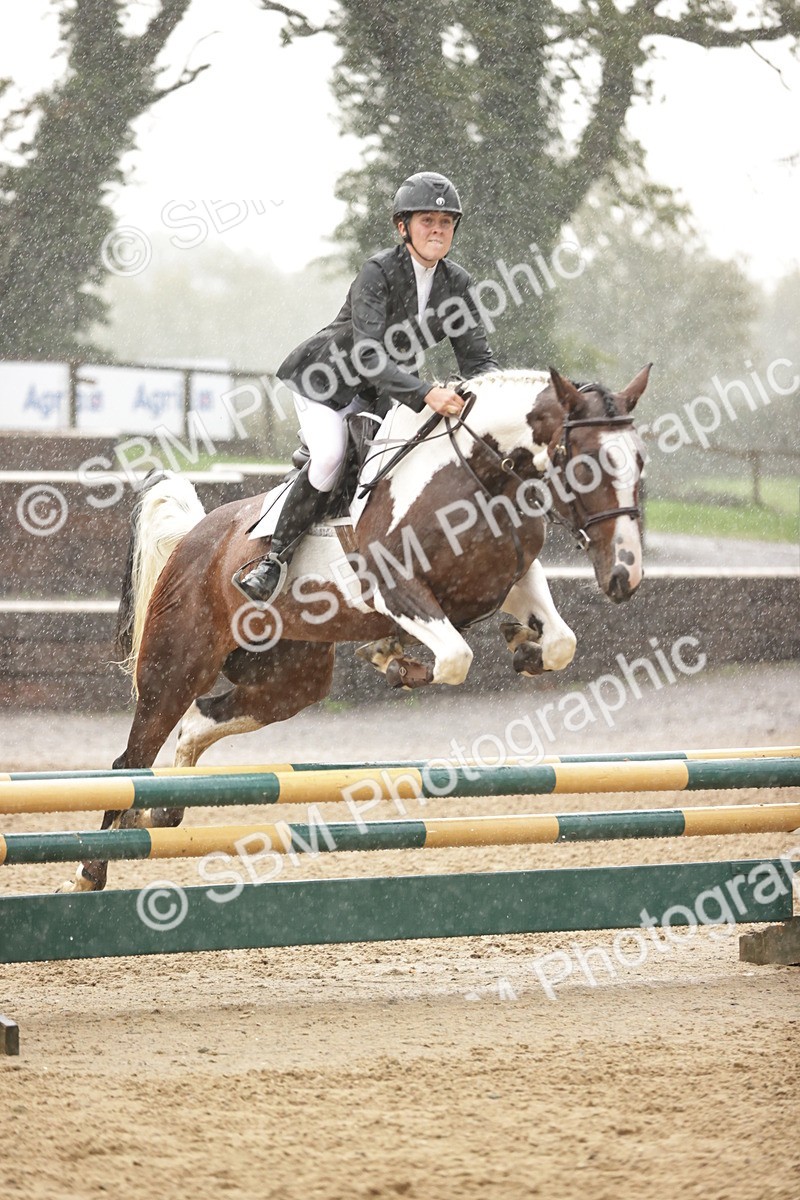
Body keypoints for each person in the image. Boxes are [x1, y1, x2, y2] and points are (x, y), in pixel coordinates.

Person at [234, 170, 500, 605]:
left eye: (446, 222)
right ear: (403, 227)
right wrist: (426, 393)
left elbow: (476, 360)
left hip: (379, 390)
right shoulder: (378, 271)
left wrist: (502, 394)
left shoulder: (457, 284)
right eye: (426, 221)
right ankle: (273, 561)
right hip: (325, 381)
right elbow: (369, 356)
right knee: (332, 455)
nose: (437, 229)